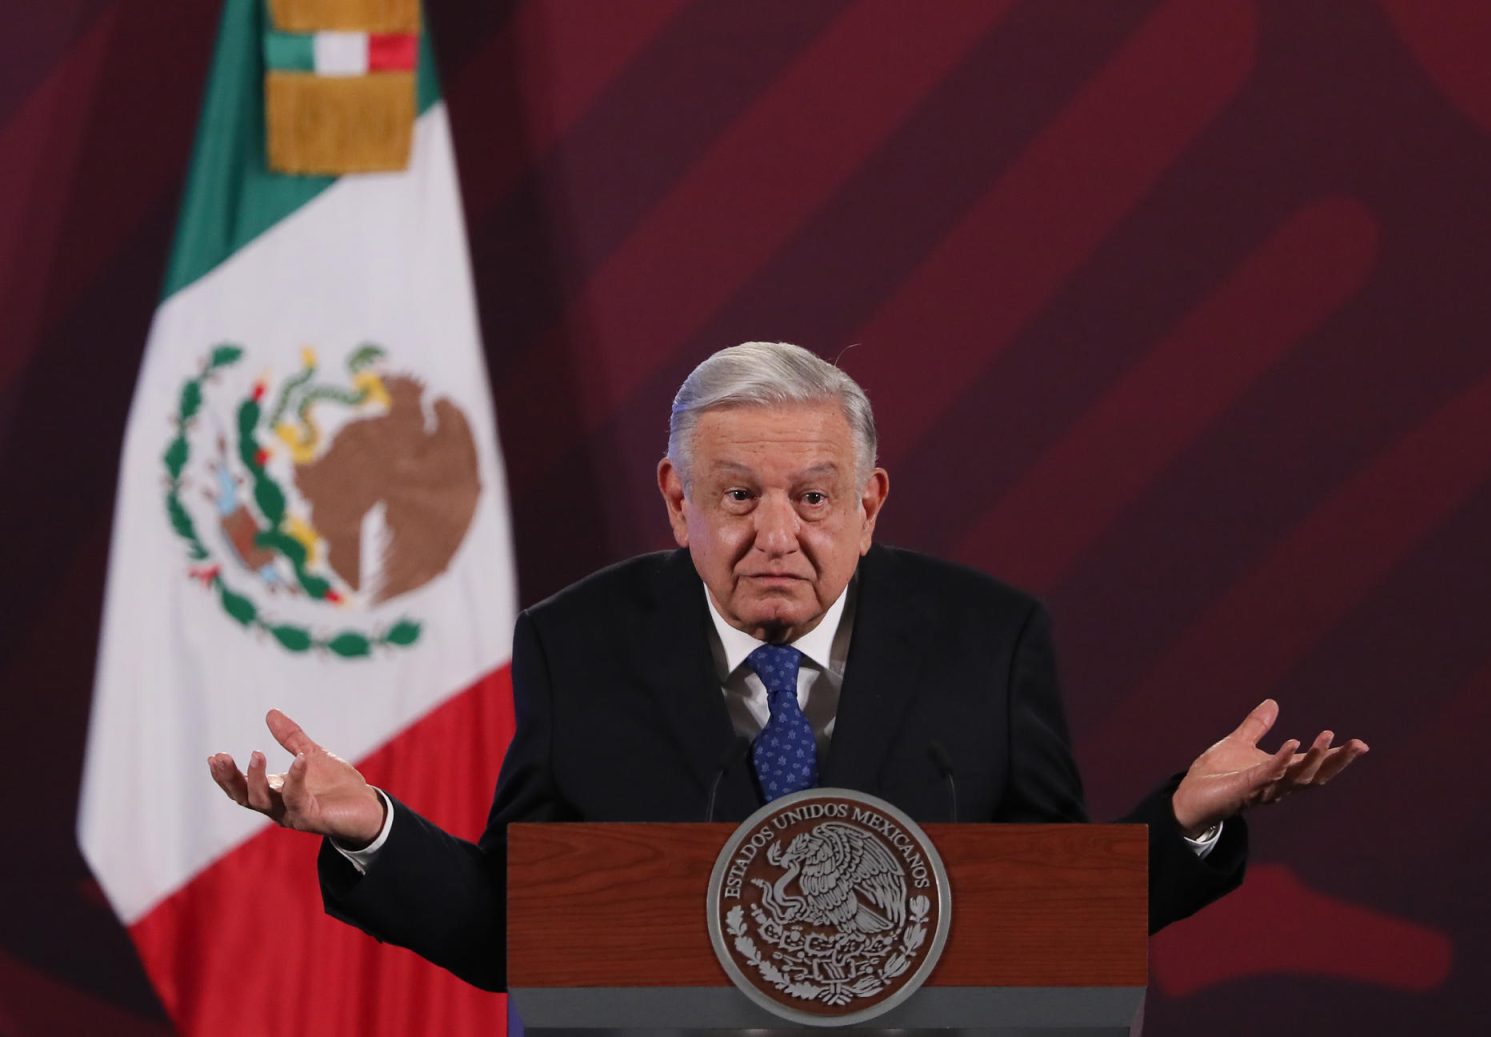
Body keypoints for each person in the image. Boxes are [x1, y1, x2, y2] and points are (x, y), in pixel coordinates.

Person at [209, 341, 1368, 992]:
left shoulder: (987, 636)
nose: (778, 533)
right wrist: (376, 828)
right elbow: (516, 930)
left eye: (814, 498)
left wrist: (1189, 818)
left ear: (867, 505)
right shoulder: (579, 643)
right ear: (677, 501)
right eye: (737, 496)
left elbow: (1053, 912)